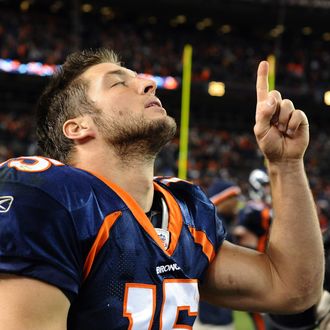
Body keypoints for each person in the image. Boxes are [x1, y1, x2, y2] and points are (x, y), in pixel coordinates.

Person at [0, 48, 324, 330]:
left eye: (138, 77)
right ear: (78, 126)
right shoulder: (47, 199)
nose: (148, 82)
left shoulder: (183, 212)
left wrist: (285, 164)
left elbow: (292, 287)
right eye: (118, 82)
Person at [195, 179, 242, 330]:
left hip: (213, 306)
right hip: (212, 311)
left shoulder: (216, 223)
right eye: (233, 197)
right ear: (223, 199)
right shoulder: (216, 226)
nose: (237, 202)